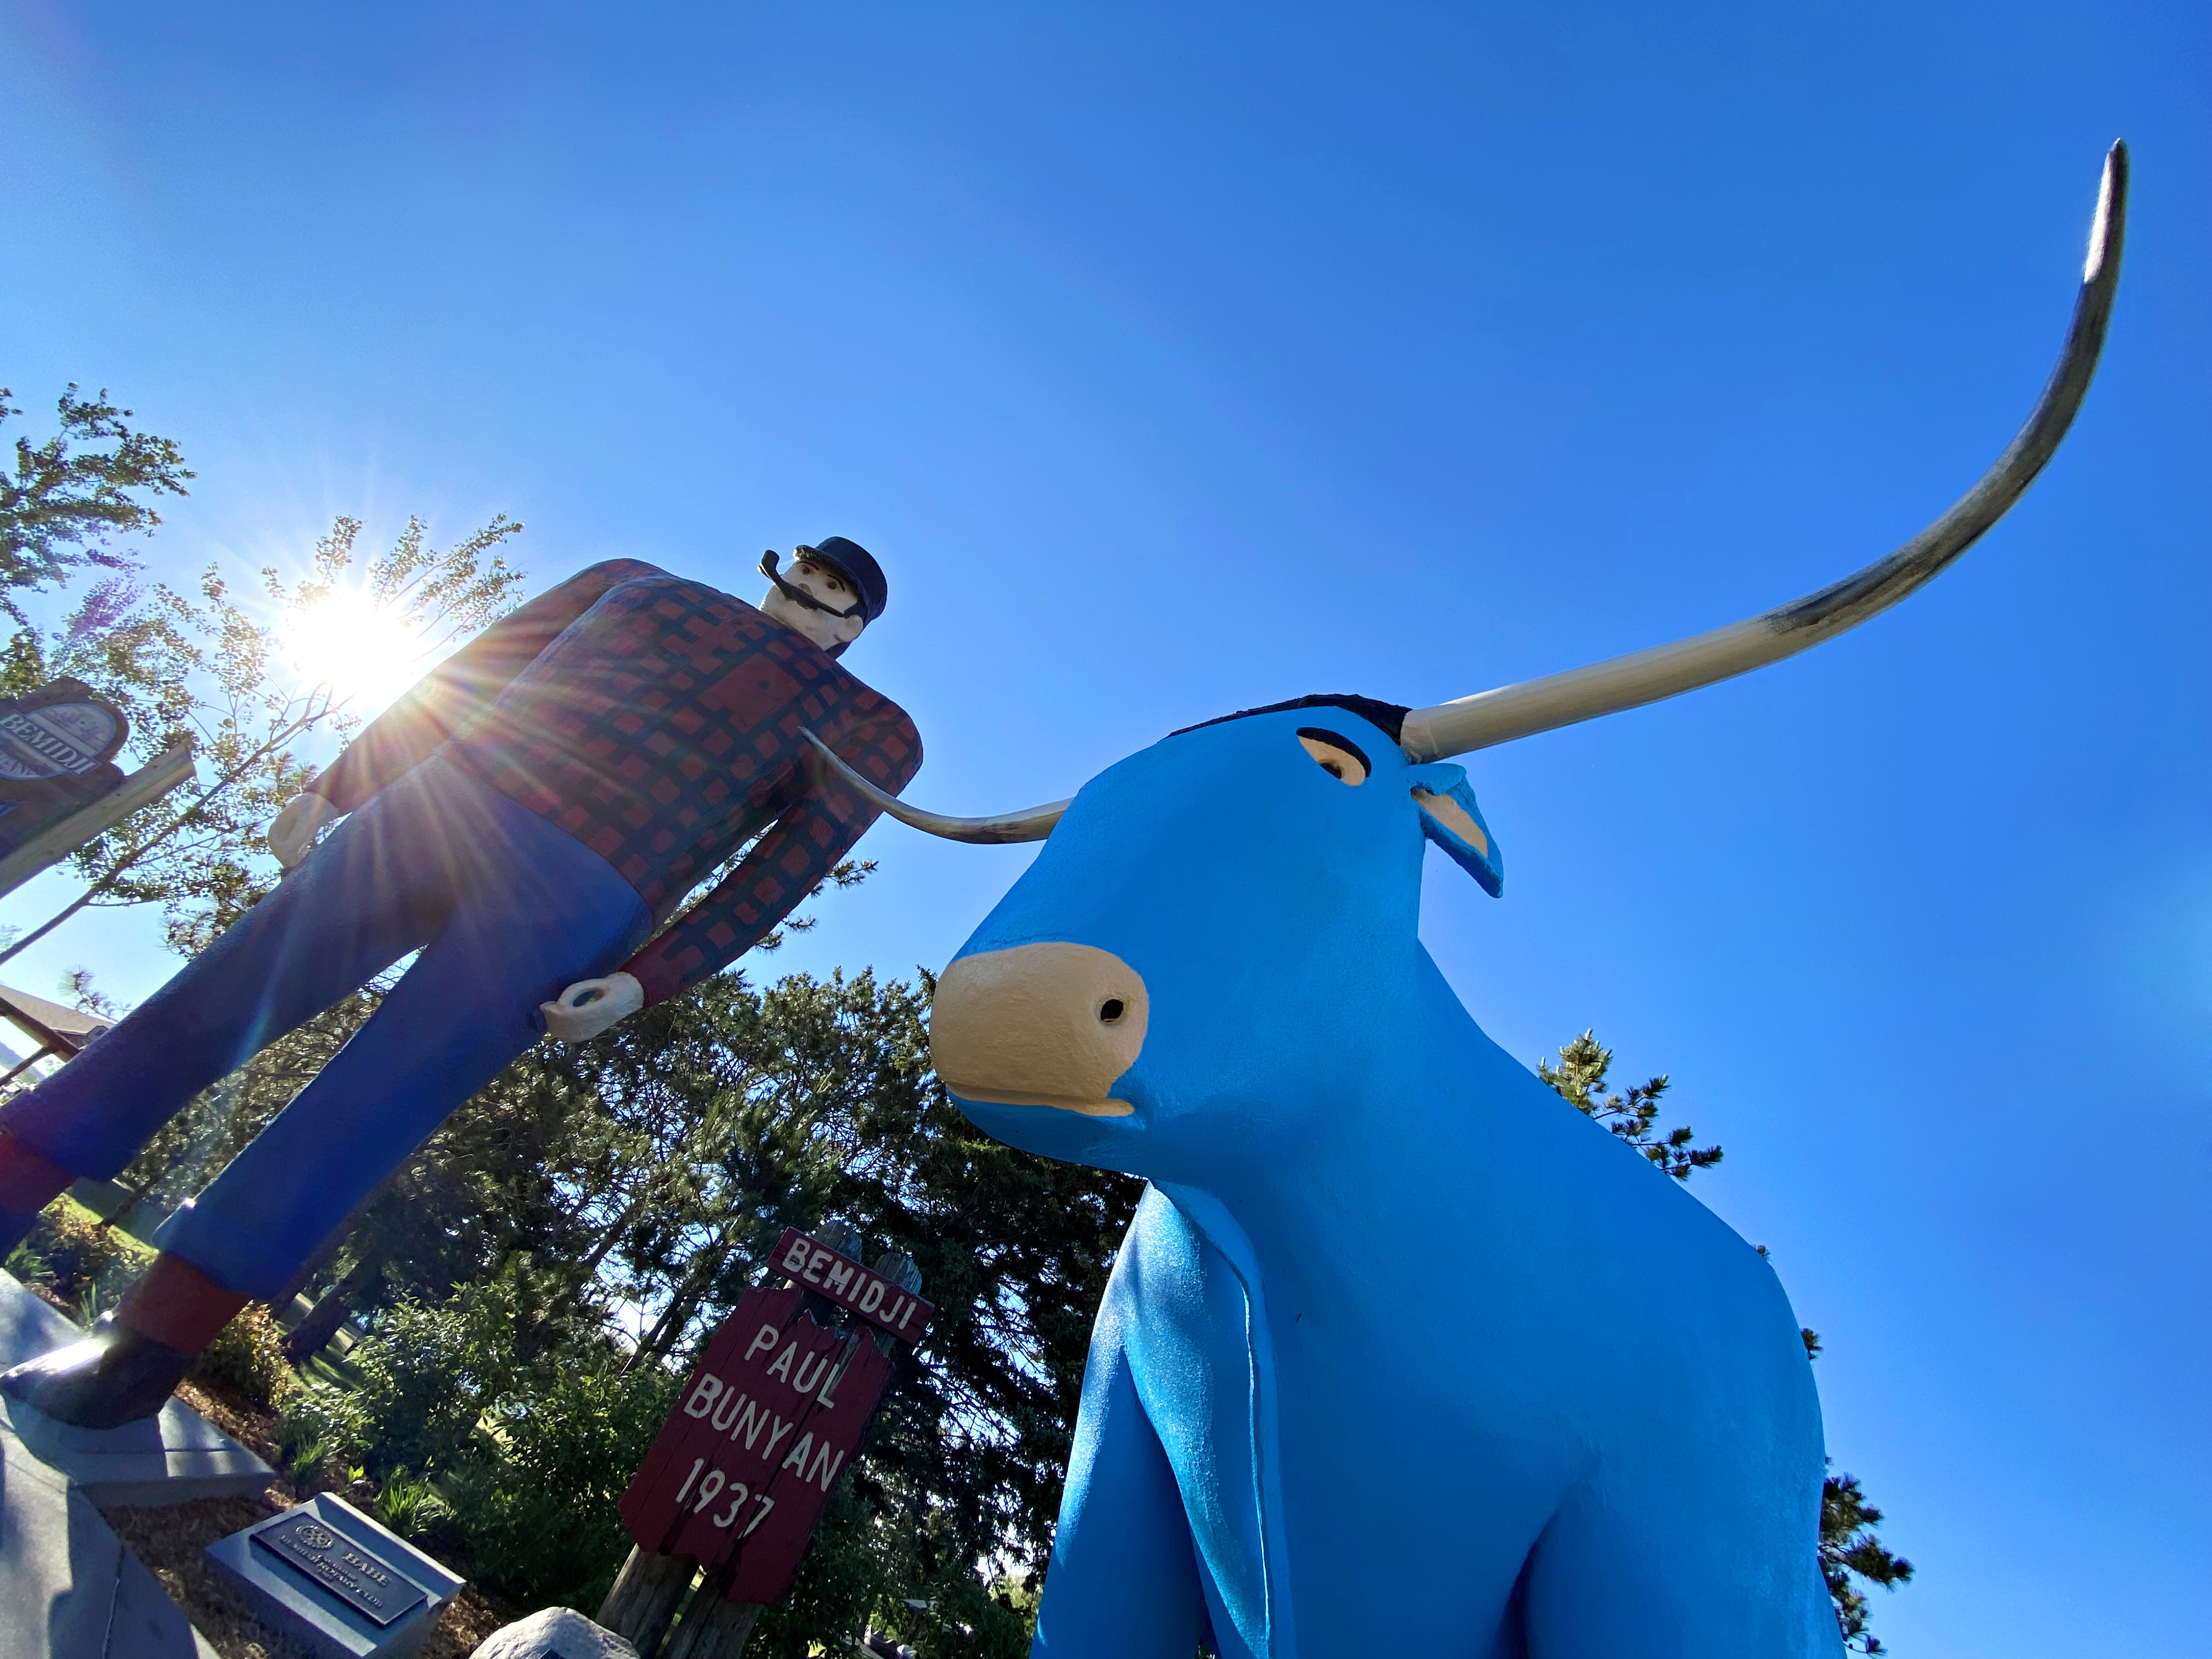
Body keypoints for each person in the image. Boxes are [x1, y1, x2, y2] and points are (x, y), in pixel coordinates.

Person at [0, 538, 919, 1426]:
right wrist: (341, 781)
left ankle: (142, 1355)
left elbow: (776, 880)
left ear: (852, 629)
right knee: (207, 1004)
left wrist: (647, 980)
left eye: (837, 585)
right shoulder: (630, 580)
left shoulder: (869, 726)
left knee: (369, 1104)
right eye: (807, 563)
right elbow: (471, 673)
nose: (812, 579)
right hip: (442, 800)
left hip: (584, 895)